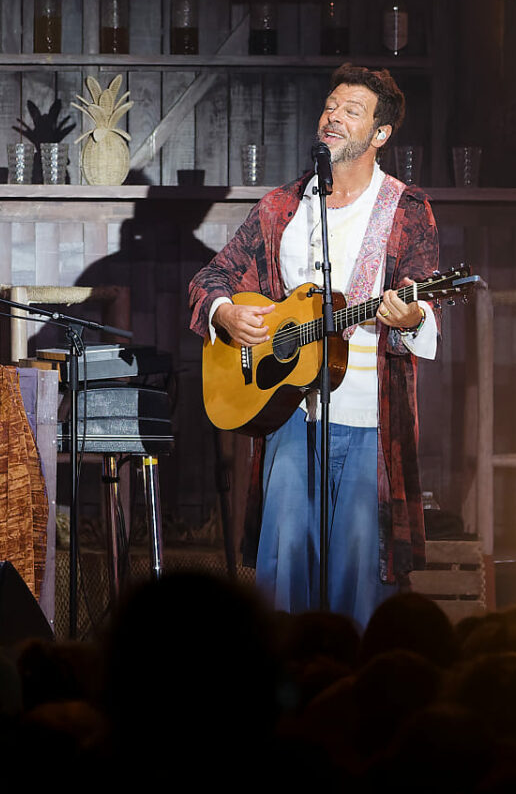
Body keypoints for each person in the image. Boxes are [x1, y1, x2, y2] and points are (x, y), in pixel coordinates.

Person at [188, 65, 440, 624]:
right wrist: (227, 314)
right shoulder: (283, 207)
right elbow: (213, 278)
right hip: (287, 417)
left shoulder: (405, 209)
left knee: (358, 579)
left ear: (380, 134)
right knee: (283, 575)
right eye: (331, 106)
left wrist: (413, 314)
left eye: (352, 110)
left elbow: (425, 306)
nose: (333, 117)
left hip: (368, 419)